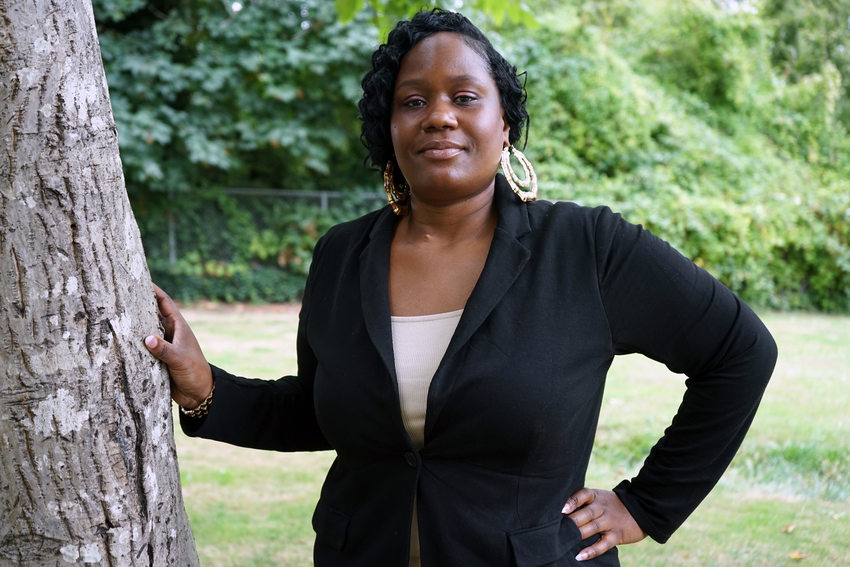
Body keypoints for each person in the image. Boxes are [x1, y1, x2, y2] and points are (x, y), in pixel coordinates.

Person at [143, 9, 777, 567]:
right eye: (413, 101)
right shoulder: (341, 256)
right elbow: (330, 411)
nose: (439, 115)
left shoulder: (587, 249)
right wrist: (207, 390)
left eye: (465, 96)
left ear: (504, 125)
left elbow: (740, 353)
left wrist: (646, 504)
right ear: (388, 130)